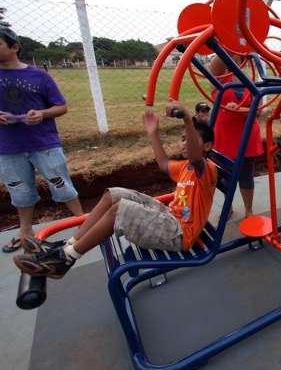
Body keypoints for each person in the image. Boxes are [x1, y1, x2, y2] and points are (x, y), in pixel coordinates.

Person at [13, 102, 217, 279]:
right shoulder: (186, 167)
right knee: (114, 194)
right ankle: (68, 245)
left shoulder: (205, 169)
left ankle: (65, 260)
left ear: (207, 146)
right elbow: (164, 163)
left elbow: (194, 154)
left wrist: (188, 121)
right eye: (182, 139)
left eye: (188, 139)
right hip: (169, 217)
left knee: (120, 210)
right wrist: (153, 134)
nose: (184, 143)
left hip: (180, 234)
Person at [0, 27, 83, 253]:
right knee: (19, 192)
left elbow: (62, 106)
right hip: (8, 148)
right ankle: (25, 232)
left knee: (62, 184)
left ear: (14, 47)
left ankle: (83, 224)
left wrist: (43, 114)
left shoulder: (39, 77)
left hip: (44, 144)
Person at [208, 54, 263, 219]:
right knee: (224, 175)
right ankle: (228, 207)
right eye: (230, 56)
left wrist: (239, 110)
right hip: (225, 138)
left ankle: (249, 210)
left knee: (246, 175)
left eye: (236, 56)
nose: (233, 58)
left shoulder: (251, 82)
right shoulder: (219, 80)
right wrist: (227, 43)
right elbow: (216, 63)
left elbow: (259, 111)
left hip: (247, 137)